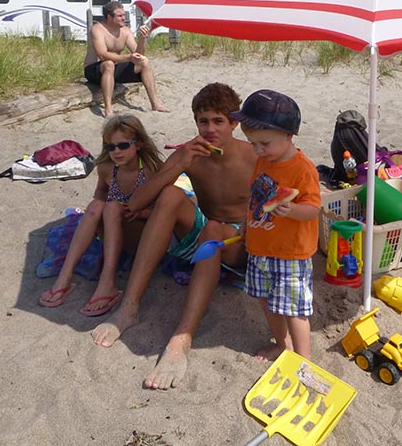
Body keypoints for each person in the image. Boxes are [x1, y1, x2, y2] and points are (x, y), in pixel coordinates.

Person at [91, 83, 257, 390]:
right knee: (170, 195)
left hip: (242, 242)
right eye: (203, 121)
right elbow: (137, 202)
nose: (209, 129)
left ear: (234, 123)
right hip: (206, 230)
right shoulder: (190, 155)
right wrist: (179, 164)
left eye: (218, 121)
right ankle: (129, 308)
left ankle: (182, 338)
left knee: (212, 229)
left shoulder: (253, 156)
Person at [39, 114, 165, 315]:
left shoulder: (151, 171)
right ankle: (64, 278)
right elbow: (100, 194)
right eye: (110, 147)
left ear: (139, 144)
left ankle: (108, 283)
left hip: (142, 236)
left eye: (123, 146)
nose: (116, 152)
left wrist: (141, 212)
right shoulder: (106, 169)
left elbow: (165, 214)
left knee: (112, 207)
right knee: (98, 205)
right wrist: (106, 206)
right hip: (112, 229)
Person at [231, 89, 321, 361]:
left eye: (264, 143)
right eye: (252, 143)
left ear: (288, 135)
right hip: (260, 248)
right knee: (266, 301)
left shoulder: (303, 169)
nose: (257, 150)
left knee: (294, 310)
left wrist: (293, 209)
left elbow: (313, 209)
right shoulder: (263, 160)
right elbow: (255, 196)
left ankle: (303, 361)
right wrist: (247, 224)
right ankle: (283, 345)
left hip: (291, 253)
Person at [84, 1, 170, 116]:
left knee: (144, 61)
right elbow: (102, 55)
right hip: (94, 70)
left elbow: (139, 54)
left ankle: (155, 104)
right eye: (120, 16)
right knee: (108, 63)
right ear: (109, 17)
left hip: (114, 69)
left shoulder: (125, 30)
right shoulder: (98, 29)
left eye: (124, 15)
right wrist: (128, 57)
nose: (124, 18)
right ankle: (108, 109)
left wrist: (142, 39)